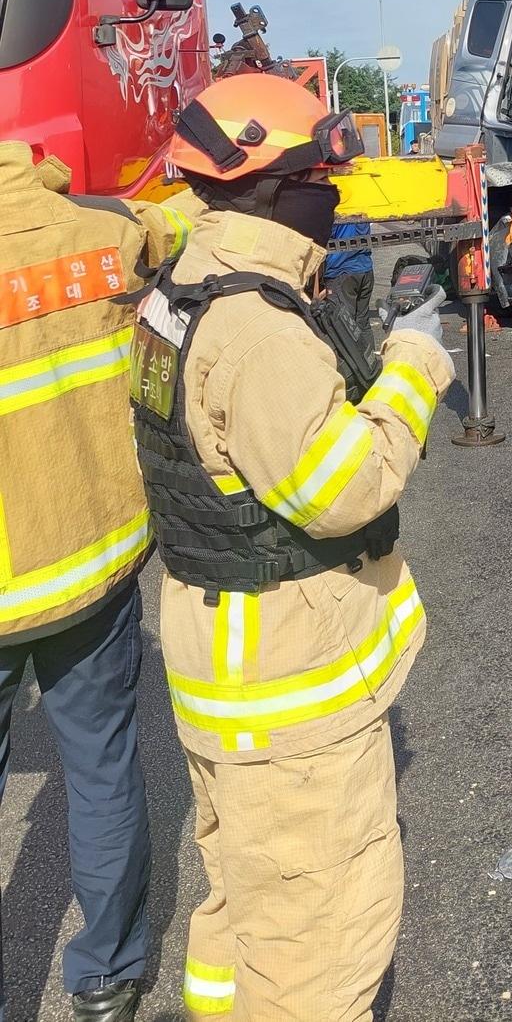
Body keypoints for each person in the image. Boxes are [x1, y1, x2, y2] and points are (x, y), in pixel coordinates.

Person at [128, 76, 452, 1022]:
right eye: (322, 175)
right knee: (320, 942)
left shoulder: (180, 293)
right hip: (290, 693)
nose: (335, 192)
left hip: (221, 673)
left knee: (241, 906)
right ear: (273, 188)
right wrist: (412, 362)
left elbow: (220, 459)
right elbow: (343, 486)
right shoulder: (257, 330)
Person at [0, 142, 191, 1022]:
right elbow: (174, 230)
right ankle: (109, 978)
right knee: (103, 767)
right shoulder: (98, 235)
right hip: (92, 561)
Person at [324, 213, 374, 333]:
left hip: (342, 270)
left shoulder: (339, 210)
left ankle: (348, 351)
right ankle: (368, 350)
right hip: (365, 269)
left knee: (343, 325)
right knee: (363, 322)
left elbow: (323, 234)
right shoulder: (360, 207)